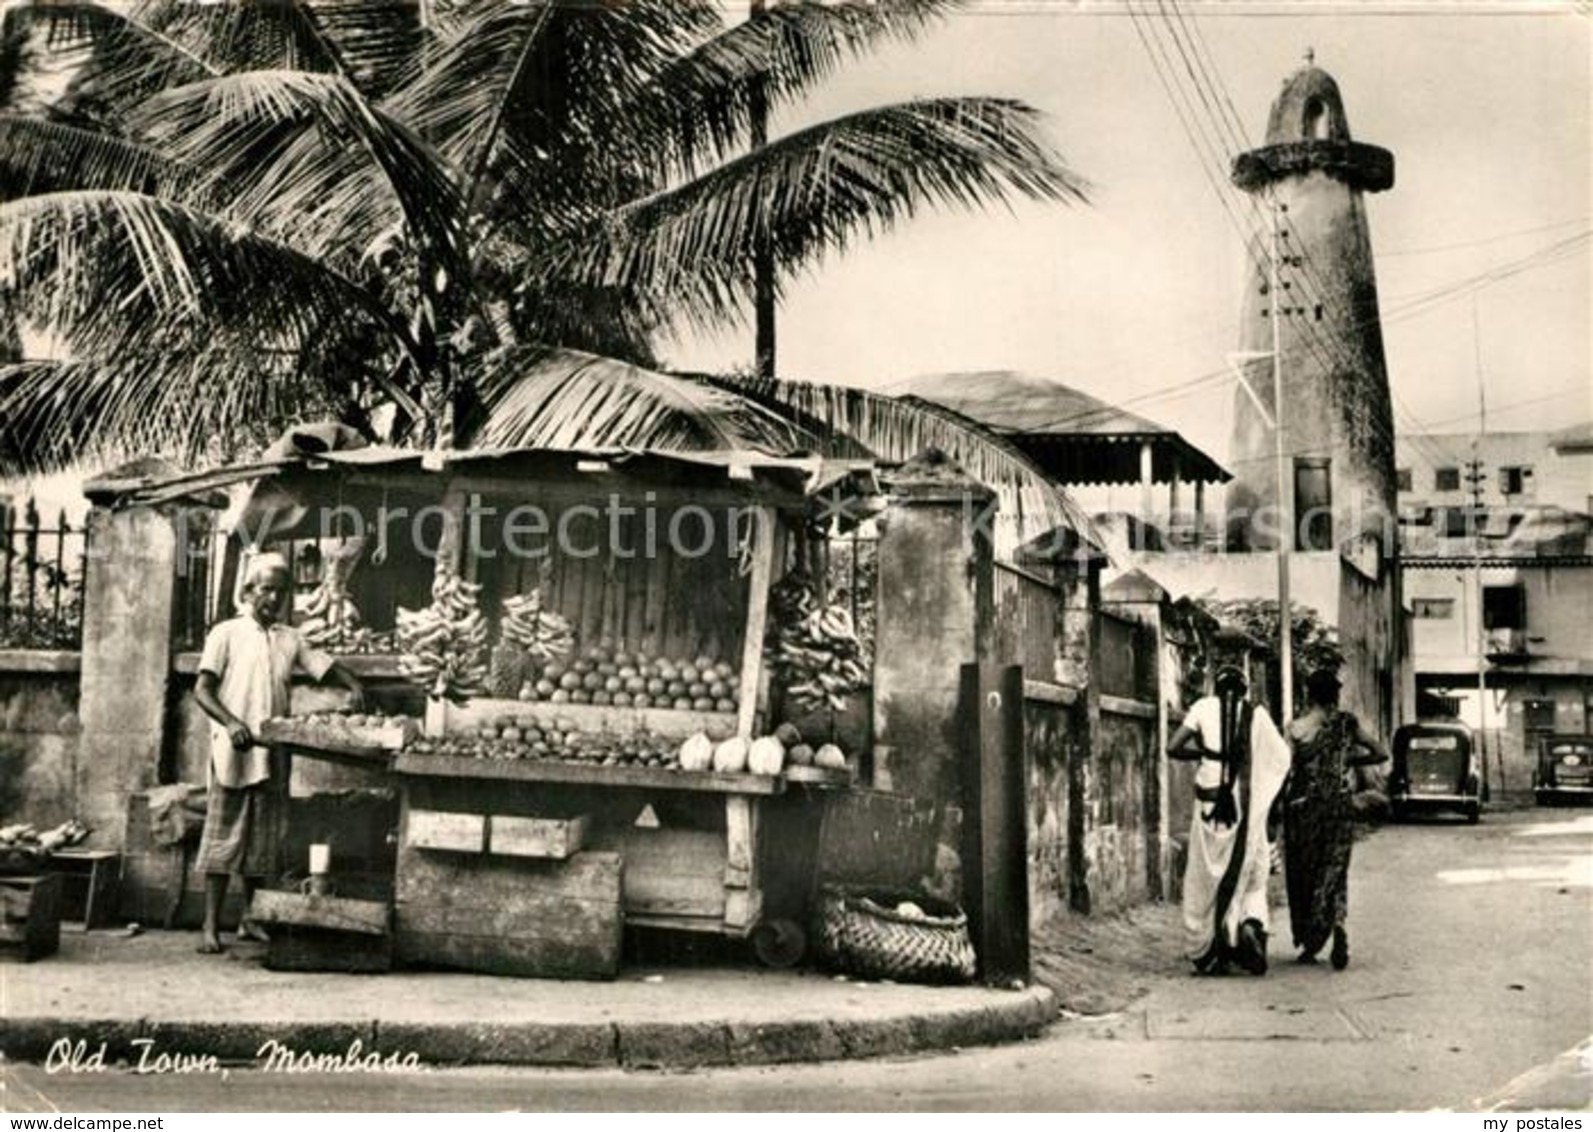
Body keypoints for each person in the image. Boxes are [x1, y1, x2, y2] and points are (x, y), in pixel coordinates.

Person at [191, 553, 364, 954]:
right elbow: (202, 689)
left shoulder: (289, 637)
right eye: (266, 589)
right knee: (224, 840)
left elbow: (322, 666)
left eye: (281, 591)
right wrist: (231, 722)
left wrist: (352, 683)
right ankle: (210, 926)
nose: (273, 598)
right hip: (233, 749)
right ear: (248, 591)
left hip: (271, 750)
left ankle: (250, 921)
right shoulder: (226, 633)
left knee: (262, 842)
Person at [1166, 665, 1291, 976]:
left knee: (1204, 875)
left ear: (1216, 688)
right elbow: (1282, 758)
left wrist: (1206, 754)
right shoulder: (1257, 715)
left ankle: (1207, 949)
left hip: (1209, 799)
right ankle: (1245, 927)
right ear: (1245, 689)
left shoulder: (1202, 707)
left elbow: (1172, 746)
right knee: (1248, 873)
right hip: (1245, 804)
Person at [1282, 667, 1390, 970]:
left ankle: (1310, 941)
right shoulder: (1346, 723)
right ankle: (1338, 925)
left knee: (1306, 874)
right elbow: (1380, 753)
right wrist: (1349, 759)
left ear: (1308, 693)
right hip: (1340, 808)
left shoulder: (1296, 728)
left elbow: (1284, 768)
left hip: (1305, 810)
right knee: (1335, 872)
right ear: (1335, 695)